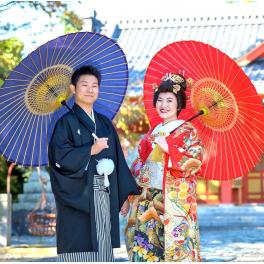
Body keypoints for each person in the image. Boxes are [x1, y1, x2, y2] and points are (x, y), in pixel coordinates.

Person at [48, 65, 140, 262]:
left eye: (95, 85)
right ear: (73, 89)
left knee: (102, 248)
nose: (90, 90)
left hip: (104, 195)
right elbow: (59, 158)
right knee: (77, 245)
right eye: (84, 85)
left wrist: (122, 195)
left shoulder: (105, 123)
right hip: (77, 195)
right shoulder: (65, 124)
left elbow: (117, 159)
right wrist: (89, 150)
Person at [123, 73, 204, 262]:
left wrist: (170, 149)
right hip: (147, 198)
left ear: (179, 104)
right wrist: (127, 195)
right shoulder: (153, 131)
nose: (164, 105)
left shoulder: (187, 130)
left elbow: (197, 159)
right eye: (160, 100)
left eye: (170, 100)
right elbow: (138, 166)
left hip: (172, 199)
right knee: (146, 248)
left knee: (173, 249)